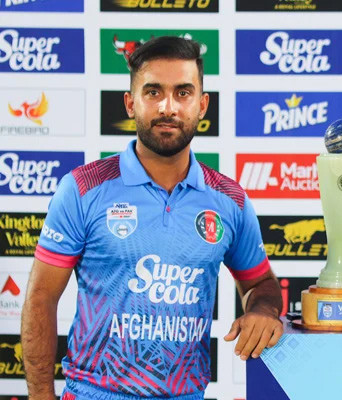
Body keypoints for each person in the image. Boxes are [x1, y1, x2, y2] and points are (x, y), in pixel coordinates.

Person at [21, 36, 283, 400]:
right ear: (131, 103)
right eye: (153, 92)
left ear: (202, 105)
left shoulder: (229, 199)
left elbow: (262, 285)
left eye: (183, 93)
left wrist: (264, 310)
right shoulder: (82, 188)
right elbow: (41, 298)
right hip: (94, 393)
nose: (168, 107)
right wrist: (39, 396)